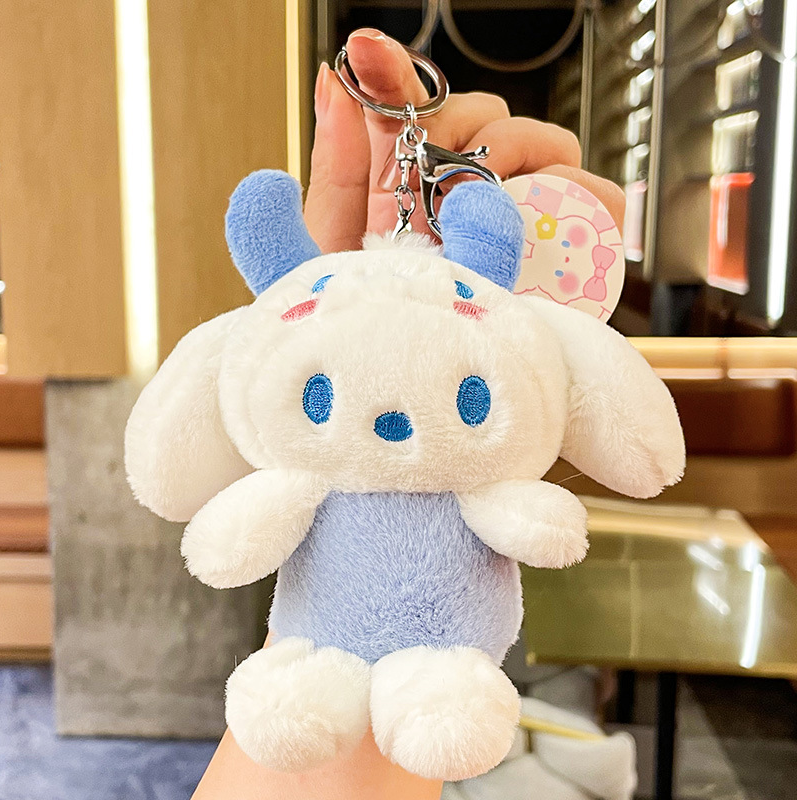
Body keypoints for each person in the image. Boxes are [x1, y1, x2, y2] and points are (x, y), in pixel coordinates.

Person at [192, 27, 624, 800]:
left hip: (430, 658)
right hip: (326, 647)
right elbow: (235, 534)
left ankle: (418, 699)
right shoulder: (294, 367)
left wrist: (526, 408)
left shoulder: (494, 363)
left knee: (427, 709)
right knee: (326, 707)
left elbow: (543, 521)